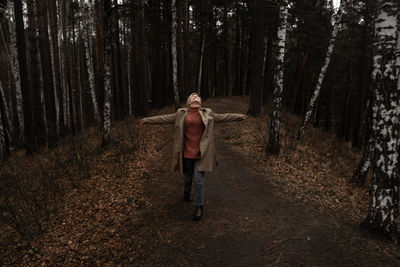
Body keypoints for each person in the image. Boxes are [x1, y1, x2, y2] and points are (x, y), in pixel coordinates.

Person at [140, 93, 247, 220]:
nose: (195, 97)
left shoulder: (208, 113)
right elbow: (164, 118)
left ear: (201, 102)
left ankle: (199, 207)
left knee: (198, 180)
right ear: (188, 102)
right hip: (186, 152)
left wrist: (239, 117)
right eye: (193, 96)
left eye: (197, 96)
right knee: (187, 177)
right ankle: (186, 192)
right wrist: (146, 120)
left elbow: (224, 116)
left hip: (201, 154)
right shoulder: (181, 113)